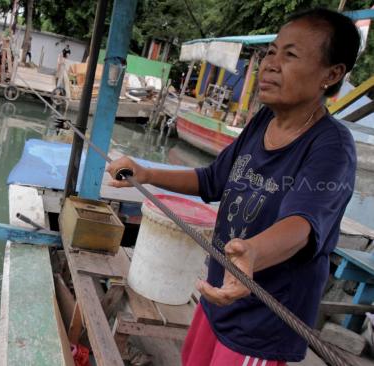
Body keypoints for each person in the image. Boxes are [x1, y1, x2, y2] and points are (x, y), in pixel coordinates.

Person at [106, 8, 359, 365]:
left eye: (291, 55)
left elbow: (302, 225)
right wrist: (145, 172)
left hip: (260, 321)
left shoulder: (331, 146)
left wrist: (253, 252)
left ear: (331, 74)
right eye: (272, 51)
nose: (271, 63)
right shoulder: (261, 122)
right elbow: (212, 179)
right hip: (219, 297)